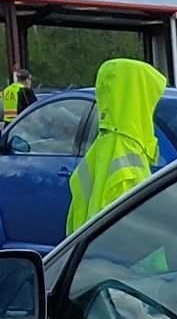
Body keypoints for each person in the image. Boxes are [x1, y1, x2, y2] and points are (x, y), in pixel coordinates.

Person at [65, 57, 167, 232]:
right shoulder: (127, 155)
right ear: (139, 100)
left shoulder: (103, 145)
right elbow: (135, 232)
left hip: (91, 256)